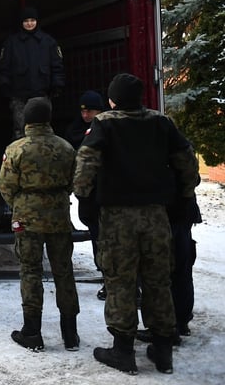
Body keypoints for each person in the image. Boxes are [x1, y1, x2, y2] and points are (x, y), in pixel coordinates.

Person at [73, 73, 199, 375]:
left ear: (113, 98)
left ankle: (123, 350)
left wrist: (84, 200)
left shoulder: (105, 123)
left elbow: (86, 163)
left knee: (121, 279)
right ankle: (163, 349)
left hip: (118, 217)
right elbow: (187, 160)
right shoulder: (161, 122)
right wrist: (183, 197)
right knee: (158, 280)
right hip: (156, 214)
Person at [0, 97, 80, 352]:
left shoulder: (16, 149)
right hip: (59, 217)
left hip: (27, 219)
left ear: (26, 120)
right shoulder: (66, 148)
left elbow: (6, 185)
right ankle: (70, 334)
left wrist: (21, 203)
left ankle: (32, 332)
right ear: (49, 119)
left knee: (30, 271)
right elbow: (73, 182)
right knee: (64, 272)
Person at [137, 176, 203, 346]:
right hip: (181, 209)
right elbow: (193, 177)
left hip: (165, 211)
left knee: (162, 272)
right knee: (181, 269)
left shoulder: (163, 149)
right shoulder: (180, 149)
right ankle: (180, 322)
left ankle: (166, 326)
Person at [0, 6, 65, 140]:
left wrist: (57, 84)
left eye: (32, 20)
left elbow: (57, 65)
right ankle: (19, 159)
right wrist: (4, 85)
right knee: (20, 131)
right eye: (26, 20)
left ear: (37, 21)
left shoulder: (48, 41)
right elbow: (3, 67)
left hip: (42, 94)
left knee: (43, 131)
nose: (29, 23)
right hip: (19, 96)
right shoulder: (11, 42)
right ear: (21, 22)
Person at [64, 90, 106, 300]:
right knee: (98, 237)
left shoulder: (106, 129)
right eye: (83, 111)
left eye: (90, 111)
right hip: (90, 197)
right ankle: (107, 275)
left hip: (107, 195)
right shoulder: (76, 130)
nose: (86, 115)